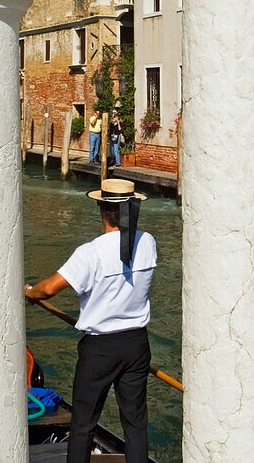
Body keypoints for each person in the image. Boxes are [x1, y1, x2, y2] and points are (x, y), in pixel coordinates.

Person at [25, 178, 155, 463]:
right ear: (132, 209)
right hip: (136, 345)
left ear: (101, 208)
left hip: (101, 350)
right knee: (135, 426)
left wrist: (31, 293)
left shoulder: (91, 253)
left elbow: (50, 288)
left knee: (83, 424)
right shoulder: (148, 243)